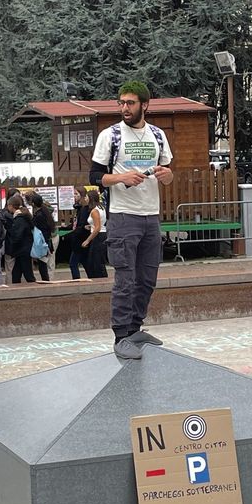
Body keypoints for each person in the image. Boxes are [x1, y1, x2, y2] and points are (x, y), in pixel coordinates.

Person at [89, 80, 173, 360]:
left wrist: (168, 175)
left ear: (144, 105)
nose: (124, 107)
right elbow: (94, 176)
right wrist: (121, 177)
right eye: (121, 102)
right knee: (125, 279)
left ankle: (135, 329)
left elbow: (168, 171)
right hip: (123, 216)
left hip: (151, 215)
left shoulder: (158, 135)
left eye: (130, 103)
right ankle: (121, 336)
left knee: (147, 279)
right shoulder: (110, 135)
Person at [7, 195, 36, 283]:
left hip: (23, 249)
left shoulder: (19, 219)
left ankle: (35, 288)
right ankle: (16, 287)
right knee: (16, 272)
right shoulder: (23, 216)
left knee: (27, 273)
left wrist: (13, 243)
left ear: (11, 206)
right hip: (23, 249)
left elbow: (17, 235)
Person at [29, 193, 55, 281]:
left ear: (33, 203)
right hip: (45, 240)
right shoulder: (44, 212)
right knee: (43, 263)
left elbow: (39, 230)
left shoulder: (39, 215)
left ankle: (46, 280)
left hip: (41, 241)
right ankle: (46, 279)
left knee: (42, 264)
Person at [82, 189, 108, 278]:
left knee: (96, 261)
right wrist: (90, 226)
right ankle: (101, 277)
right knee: (97, 260)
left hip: (98, 236)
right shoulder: (101, 208)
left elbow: (97, 228)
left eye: (86, 197)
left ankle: (101, 278)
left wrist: (87, 240)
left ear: (90, 198)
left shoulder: (94, 211)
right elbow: (100, 223)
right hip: (102, 234)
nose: (85, 199)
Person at [69, 186, 91, 279]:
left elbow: (81, 226)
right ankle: (92, 276)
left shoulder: (84, 210)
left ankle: (77, 280)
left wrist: (72, 234)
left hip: (80, 239)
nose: (74, 196)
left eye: (76, 194)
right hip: (78, 239)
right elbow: (75, 223)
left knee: (73, 263)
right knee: (84, 261)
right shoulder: (78, 209)